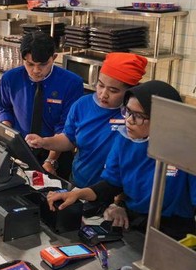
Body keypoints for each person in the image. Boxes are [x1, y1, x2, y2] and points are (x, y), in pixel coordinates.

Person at [47, 81, 196, 240]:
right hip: (133, 223)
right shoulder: (125, 139)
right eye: (128, 112)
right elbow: (112, 183)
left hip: (175, 231)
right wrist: (77, 194)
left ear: (163, 120)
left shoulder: (186, 151)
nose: (129, 120)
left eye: (139, 116)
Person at [26, 53, 148, 186]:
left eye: (113, 91)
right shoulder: (82, 105)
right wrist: (44, 142)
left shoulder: (135, 118)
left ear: (130, 91)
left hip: (114, 191)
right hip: (79, 182)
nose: (103, 94)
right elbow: (68, 139)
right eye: (100, 85)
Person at [0, 31, 83, 178]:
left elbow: (66, 128)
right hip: (20, 149)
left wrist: (50, 160)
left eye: (43, 64)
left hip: (56, 154)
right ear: (23, 59)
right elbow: (4, 107)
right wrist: (8, 134)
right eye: (30, 64)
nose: (36, 70)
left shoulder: (71, 83)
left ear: (53, 58)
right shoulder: (10, 78)